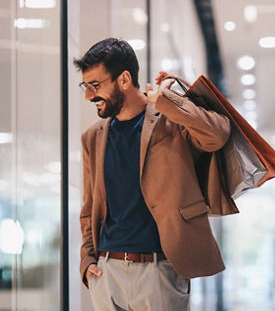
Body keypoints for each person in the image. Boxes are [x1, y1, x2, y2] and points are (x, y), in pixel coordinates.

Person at [74, 38, 231, 311]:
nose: (88, 95)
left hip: (159, 271)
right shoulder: (93, 138)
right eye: (85, 86)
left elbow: (217, 134)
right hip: (107, 273)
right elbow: (89, 209)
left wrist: (169, 101)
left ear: (124, 79)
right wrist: (87, 260)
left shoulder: (169, 121)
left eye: (95, 85)